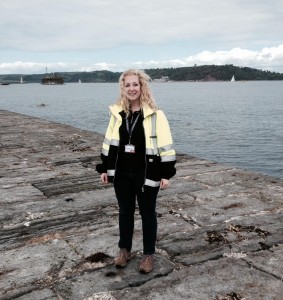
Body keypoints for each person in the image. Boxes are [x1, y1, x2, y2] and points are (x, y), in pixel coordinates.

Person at [96, 69, 176, 273]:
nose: (132, 88)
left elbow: (166, 146)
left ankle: (148, 255)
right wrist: (104, 168)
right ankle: (125, 250)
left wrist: (166, 174)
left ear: (142, 87)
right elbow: (109, 143)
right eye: (127, 85)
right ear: (123, 88)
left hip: (146, 173)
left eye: (135, 84)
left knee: (148, 214)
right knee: (125, 213)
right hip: (122, 172)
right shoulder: (117, 113)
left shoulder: (156, 115)